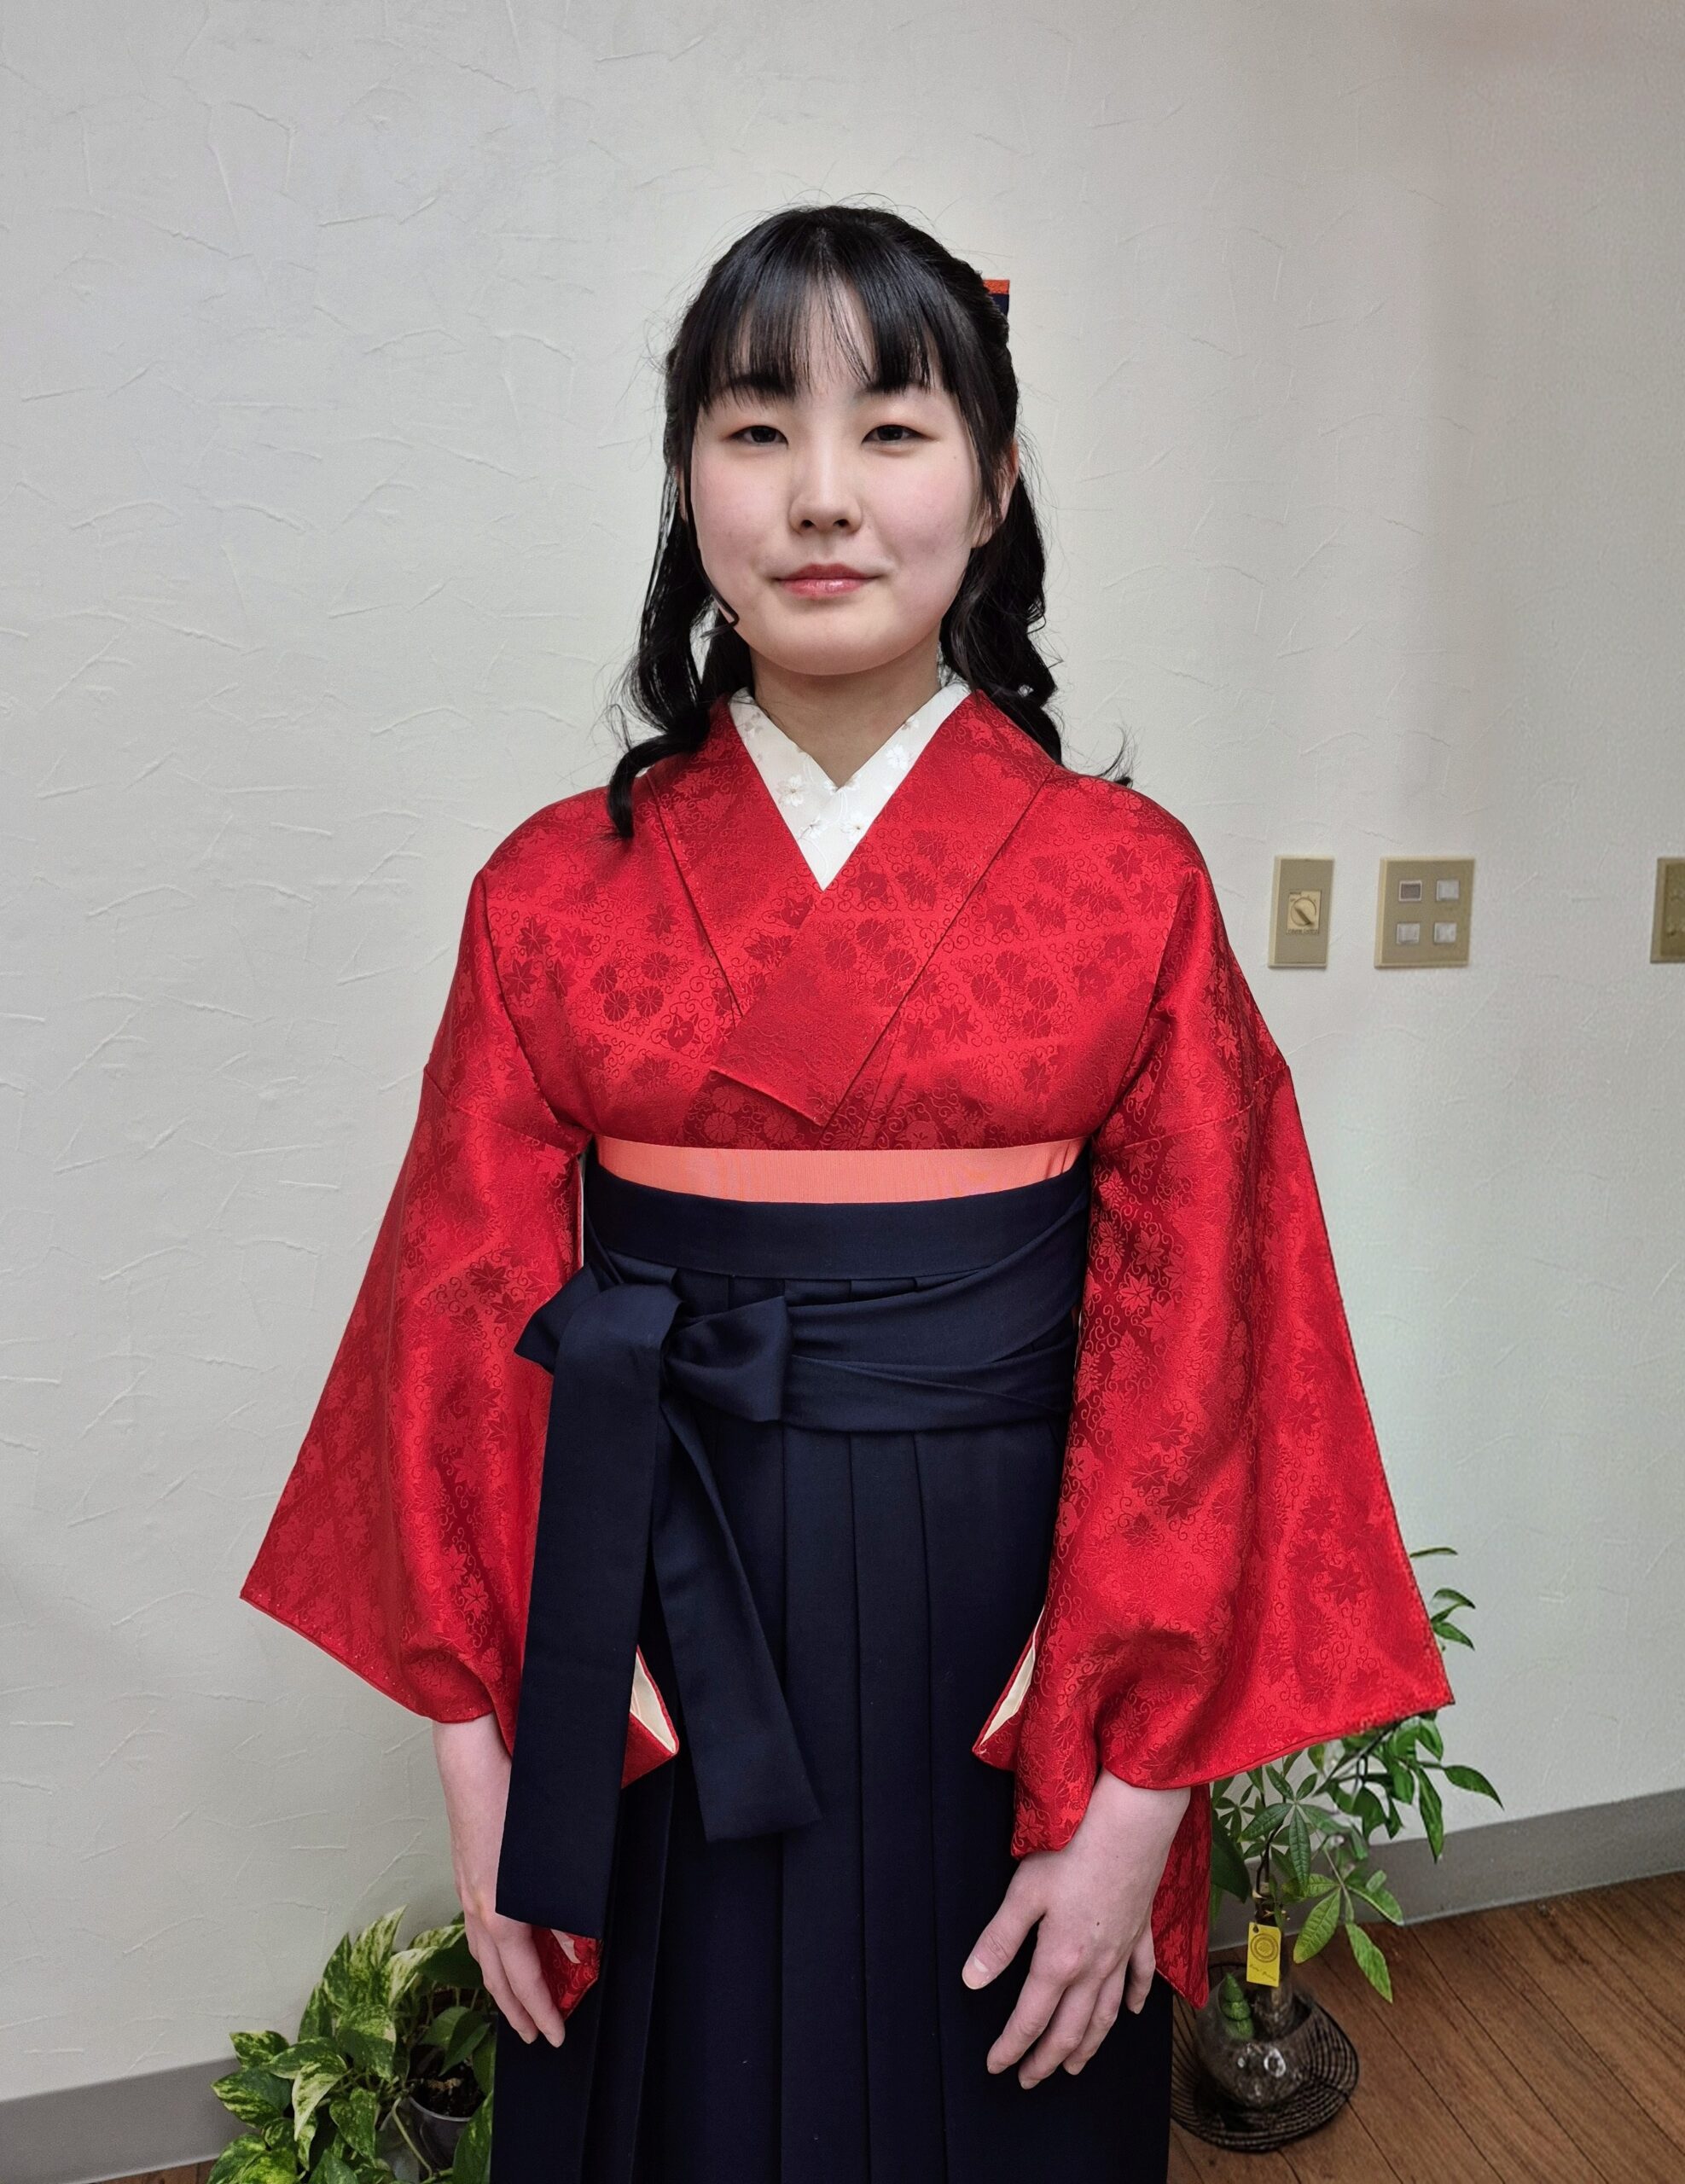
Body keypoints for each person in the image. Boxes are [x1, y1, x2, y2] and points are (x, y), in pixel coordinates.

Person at [239, 202, 1454, 2182]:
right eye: (755, 429)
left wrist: (1137, 1793)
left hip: (1012, 1628)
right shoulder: (548, 889)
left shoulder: (1125, 881)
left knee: (999, 2089)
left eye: (891, 430)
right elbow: (452, 1332)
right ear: (686, 482)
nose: (821, 494)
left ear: (991, 487)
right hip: (629, 1621)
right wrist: (481, 1746)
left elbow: (1219, 1359)